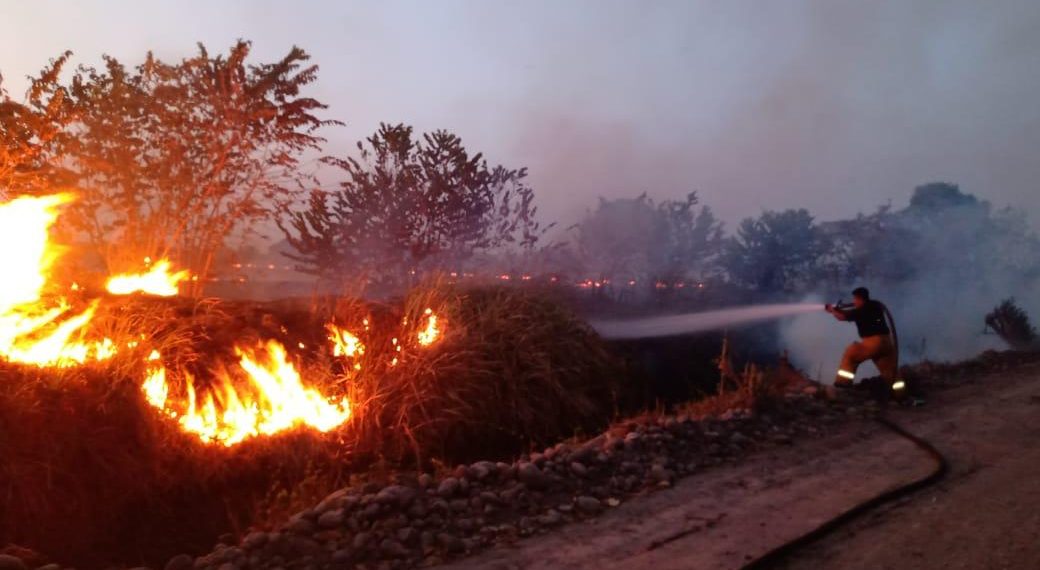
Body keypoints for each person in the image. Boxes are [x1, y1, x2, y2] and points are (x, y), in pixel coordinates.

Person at [825, 287, 901, 390]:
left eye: (855, 299)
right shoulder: (875, 305)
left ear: (860, 298)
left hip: (874, 343)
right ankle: (900, 394)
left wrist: (832, 311)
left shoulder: (861, 310)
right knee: (890, 371)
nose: (854, 301)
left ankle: (843, 383)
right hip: (887, 342)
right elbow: (850, 313)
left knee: (851, 353)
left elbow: (842, 317)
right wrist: (838, 309)